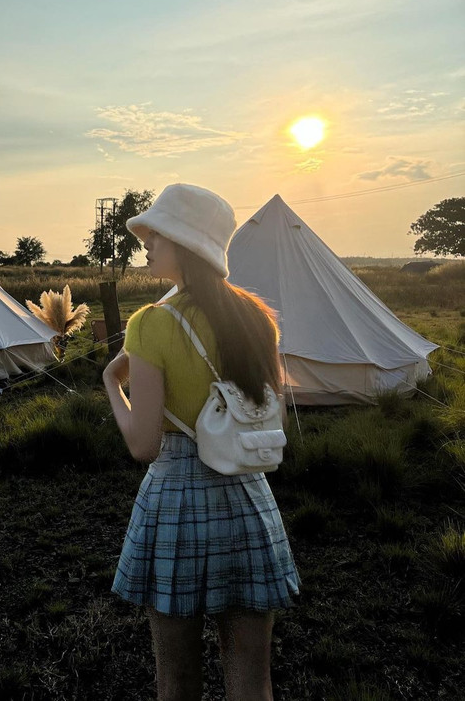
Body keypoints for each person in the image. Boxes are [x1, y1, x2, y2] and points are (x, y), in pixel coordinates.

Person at [102, 183, 299, 701]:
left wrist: (110, 384)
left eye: (156, 232)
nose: (145, 240)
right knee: (253, 683)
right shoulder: (257, 317)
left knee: (177, 682)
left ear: (185, 242)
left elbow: (143, 445)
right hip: (248, 497)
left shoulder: (150, 323)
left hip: (177, 504)